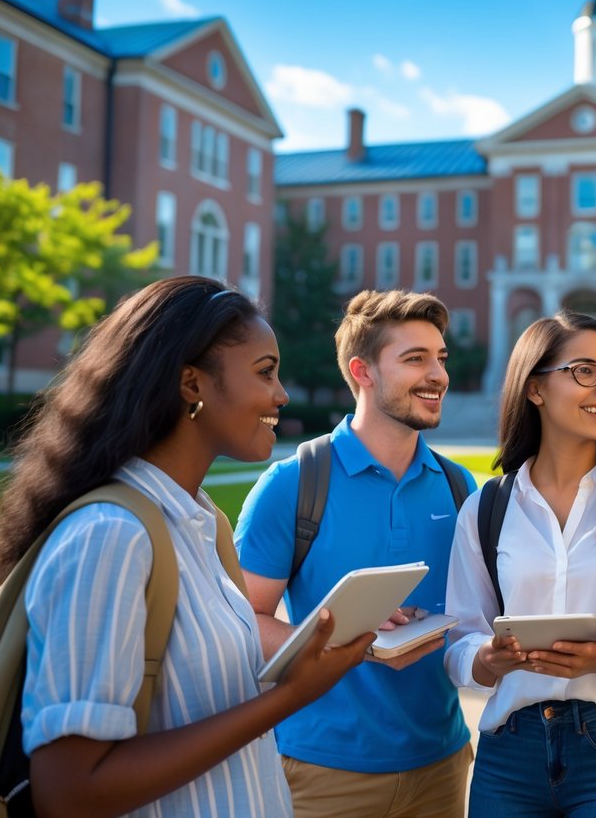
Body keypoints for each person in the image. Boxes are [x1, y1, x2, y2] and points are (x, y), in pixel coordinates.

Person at [0, 276, 371, 817]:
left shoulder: (201, 522)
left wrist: (300, 654)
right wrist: (289, 697)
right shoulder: (110, 536)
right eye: (265, 372)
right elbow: (69, 791)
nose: (281, 394)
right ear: (192, 384)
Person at [443, 311, 596, 818]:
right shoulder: (487, 508)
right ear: (535, 388)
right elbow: (458, 644)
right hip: (508, 755)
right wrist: (486, 661)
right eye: (585, 371)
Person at [235, 290, 474, 818]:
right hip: (320, 769)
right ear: (362, 371)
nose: (438, 374)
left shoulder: (461, 489)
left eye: (441, 358)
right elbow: (238, 620)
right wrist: (350, 641)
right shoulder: (293, 484)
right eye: (415, 359)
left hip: (442, 763)